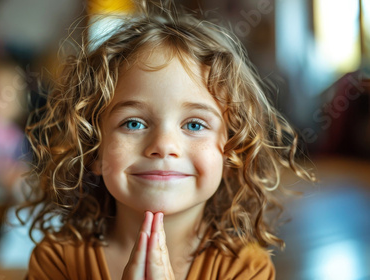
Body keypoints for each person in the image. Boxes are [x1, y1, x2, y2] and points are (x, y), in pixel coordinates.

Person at [23, 1, 315, 279]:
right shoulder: (57, 261)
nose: (163, 145)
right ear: (93, 147)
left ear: (232, 151)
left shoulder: (245, 269)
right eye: (133, 123)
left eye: (194, 124)